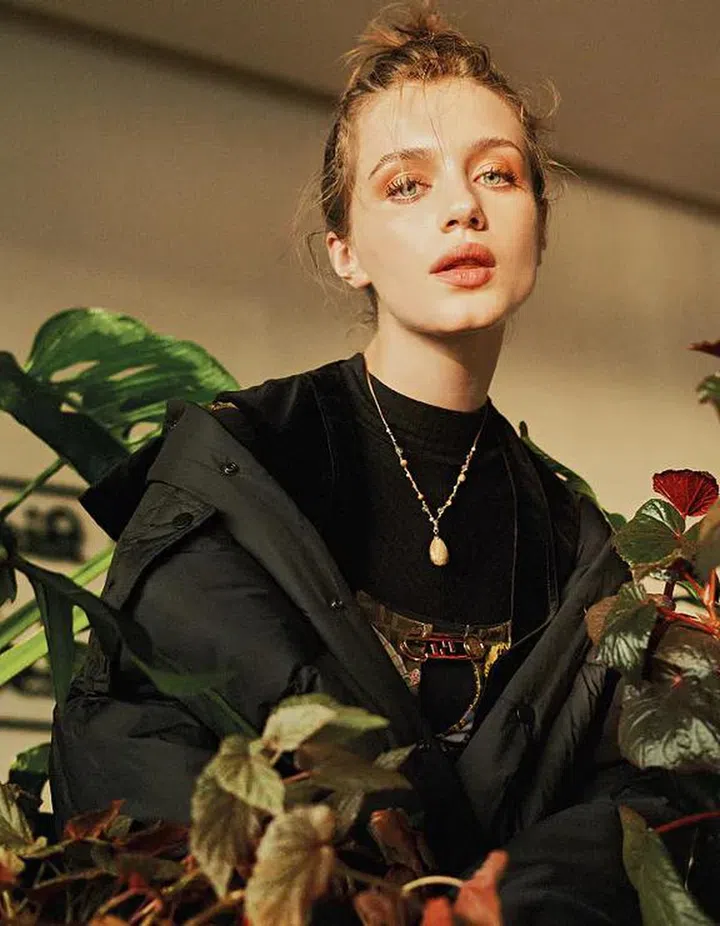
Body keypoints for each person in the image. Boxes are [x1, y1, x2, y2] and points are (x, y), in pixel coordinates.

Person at [50, 5, 693, 923]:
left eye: (497, 174)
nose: (463, 207)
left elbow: (637, 796)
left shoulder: (575, 538)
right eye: (406, 185)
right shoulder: (240, 465)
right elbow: (125, 737)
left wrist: (508, 903)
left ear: (540, 230)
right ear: (345, 250)